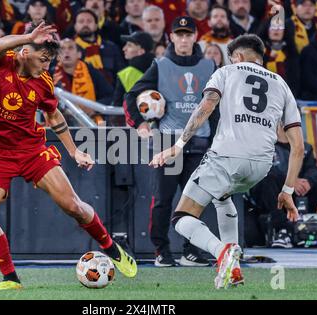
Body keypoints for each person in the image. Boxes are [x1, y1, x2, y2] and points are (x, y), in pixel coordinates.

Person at [0, 22, 137, 290]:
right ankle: (11, 279)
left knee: (73, 206)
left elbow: (53, 114)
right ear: (25, 52)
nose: (47, 66)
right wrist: (28, 36)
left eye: (50, 60)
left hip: (31, 149)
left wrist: (73, 151)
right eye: (43, 59)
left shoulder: (43, 81)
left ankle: (111, 247)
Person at [150, 34, 304, 288]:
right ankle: (234, 271)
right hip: (261, 166)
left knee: (181, 218)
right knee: (222, 197)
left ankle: (223, 252)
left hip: (226, 157)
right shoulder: (281, 84)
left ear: (238, 57)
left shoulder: (226, 71)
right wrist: (287, 190)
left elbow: (207, 106)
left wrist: (177, 146)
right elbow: (297, 147)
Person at [125, 16, 216, 267]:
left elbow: (218, 107)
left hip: (199, 143)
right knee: (164, 199)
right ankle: (161, 251)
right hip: (168, 144)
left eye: (188, 34)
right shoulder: (161, 65)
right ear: (172, 38)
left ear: (195, 37)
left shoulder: (210, 67)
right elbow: (131, 96)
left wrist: (219, 139)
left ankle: (190, 251)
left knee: (196, 200)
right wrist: (140, 124)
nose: (184, 39)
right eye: (180, 34)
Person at [249, 123, 317, 249]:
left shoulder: (306, 147)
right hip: (278, 197)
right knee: (268, 179)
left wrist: (308, 181)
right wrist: (291, 182)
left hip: (302, 195)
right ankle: (282, 231)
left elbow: (314, 171)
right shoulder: (266, 146)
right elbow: (262, 171)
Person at [53, 38, 114, 125]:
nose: (66, 51)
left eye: (70, 48)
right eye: (62, 49)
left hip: (91, 121)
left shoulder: (92, 72)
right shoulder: (50, 75)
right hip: (61, 123)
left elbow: (110, 95)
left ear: (79, 54)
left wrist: (93, 108)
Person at [73, 8, 125, 86]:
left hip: (110, 94)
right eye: (81, 21)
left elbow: (121, 74)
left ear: (96, 25)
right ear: (75, 26)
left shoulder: (111, 47)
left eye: (89, 21)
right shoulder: (69, 49)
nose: (85, 24)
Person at [258, 18, 301, 97]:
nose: (276, 30)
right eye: (273, 27)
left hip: (285, 95)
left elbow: (294, 80)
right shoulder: (258, 51)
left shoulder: (291, 52)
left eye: (280, 27)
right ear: (267, 29)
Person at [112, 31, 155, 106]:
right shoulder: (160, 69)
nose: (124, 48)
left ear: (141, 51)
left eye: (129, 45)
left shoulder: (125, 74)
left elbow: (116, 105)